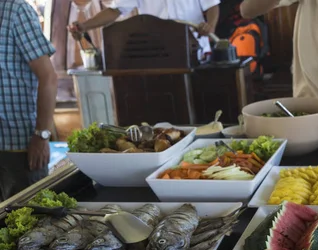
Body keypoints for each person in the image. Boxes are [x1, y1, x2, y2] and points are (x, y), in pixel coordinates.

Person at [0, 0, 57, 202]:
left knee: (31, 220)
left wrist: (42, 135)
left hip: (19, 146)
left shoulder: (15, 11)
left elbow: (48, 77)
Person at [69, 0, 221, 61]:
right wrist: (85, 26)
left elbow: (212, 5)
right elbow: (115, 11)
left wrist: (210, 26)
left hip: (194, 49)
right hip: (156, 51)